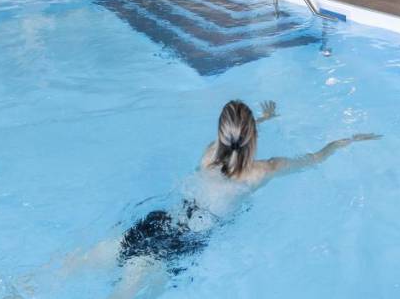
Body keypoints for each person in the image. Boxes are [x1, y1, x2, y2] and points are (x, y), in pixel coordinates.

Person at [107, 100, 379, 298]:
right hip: (187, 241)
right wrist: (344, 141)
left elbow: (232, 138)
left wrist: (263, 118)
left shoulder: (209, 154)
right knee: (140, 286)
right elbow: (314, 159)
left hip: (164, 219)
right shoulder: (263, 171)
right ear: (253, 138)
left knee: (98, 263)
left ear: (221, 135)